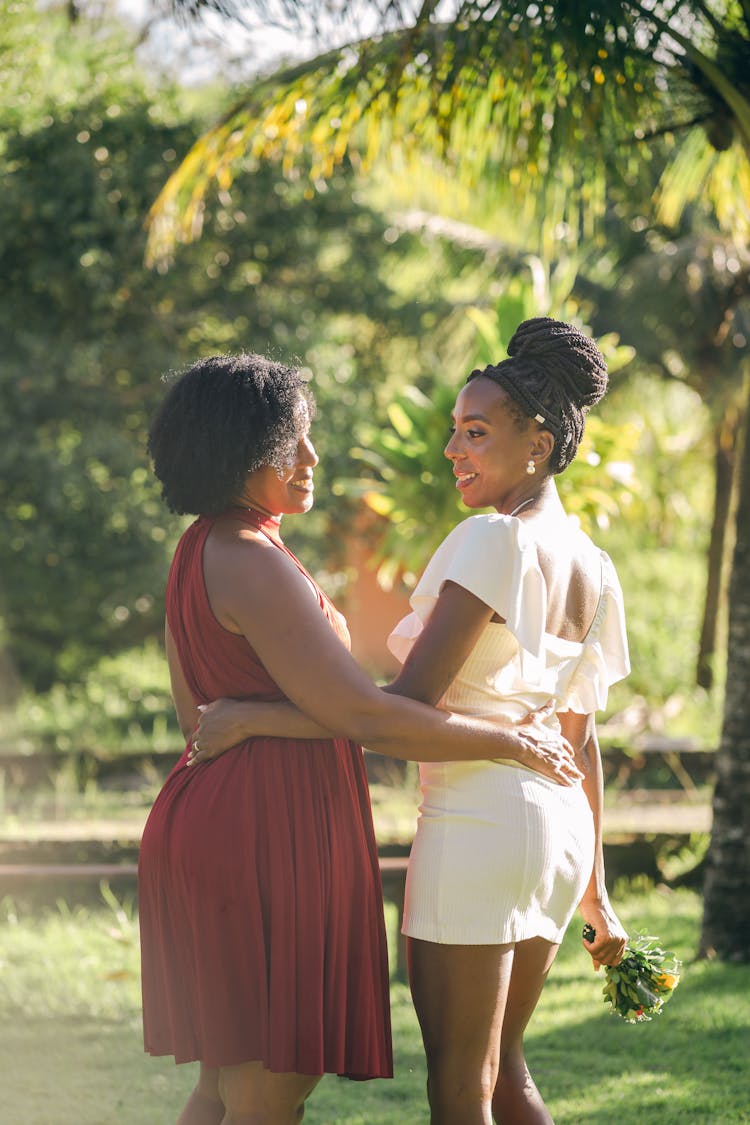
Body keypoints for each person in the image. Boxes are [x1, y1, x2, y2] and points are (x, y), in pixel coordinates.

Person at [192, 319, 631, 1124]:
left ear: (538, 442)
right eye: (453, 431)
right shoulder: (594, 565)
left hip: (480, 824)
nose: (453, 451)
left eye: (476, 432)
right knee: (506, 1073)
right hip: (560, 833)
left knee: (463, 1085)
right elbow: (582, 734)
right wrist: (596, 884)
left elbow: (399, 709)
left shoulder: (493, 538)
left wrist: (254, 719)